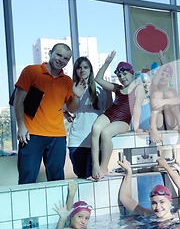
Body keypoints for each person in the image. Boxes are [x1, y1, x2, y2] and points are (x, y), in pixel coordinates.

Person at [14, 43, 85, 184]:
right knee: (27, 178)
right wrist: (21, 126)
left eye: (65, 58)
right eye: (58, 55)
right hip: (31, 134)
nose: (61, 60)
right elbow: (18, 101)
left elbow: (72, 109)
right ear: (50, 53)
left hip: (57, 136)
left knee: (57, 179)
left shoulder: (67, 82)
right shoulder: (31, 72)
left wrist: (77, 96)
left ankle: (58, 207)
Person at [91, 52, 146, 180]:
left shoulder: (139, 88)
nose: (122, 77)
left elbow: (137, 108)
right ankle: (95, 165)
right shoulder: (117, 88)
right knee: (95, 128)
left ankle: (104, 167)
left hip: (123, 121)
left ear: (132, 74)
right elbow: (98, 79)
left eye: (124, 74)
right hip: (110, 114)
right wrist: (106, 63)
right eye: (119, 75)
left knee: (105, 133)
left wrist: (136, 128)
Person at [66, 56, 110, 179]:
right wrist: (77, 96)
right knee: (80, 176)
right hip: (77, 140)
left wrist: (109, 92)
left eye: (85, 67)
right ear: (75, 70)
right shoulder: (71, 87)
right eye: (79, 68)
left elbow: (108, 109)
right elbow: (69, 109)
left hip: (96, 140)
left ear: (90, 70)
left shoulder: (99, 87)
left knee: (93, 177)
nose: (82, 70)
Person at [117, 156, 175, 223]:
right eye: (154, 203)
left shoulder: (178, 219)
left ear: (170, 201)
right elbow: (125, 198)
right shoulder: (148, 214)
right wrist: (129, 171)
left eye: (162, 202)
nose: (158, 207)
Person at [148, 51, 180, 143]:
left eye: (167, 75)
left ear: (170, 79)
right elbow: (154, 82)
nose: (163, 77)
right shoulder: (153, 88)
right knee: (157, 94)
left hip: (170, 122)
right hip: (158, 123)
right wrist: (163, 65)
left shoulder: (171, 90)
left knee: (170, 95)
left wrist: (164, 102)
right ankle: (152, 128)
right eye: (162, 74)